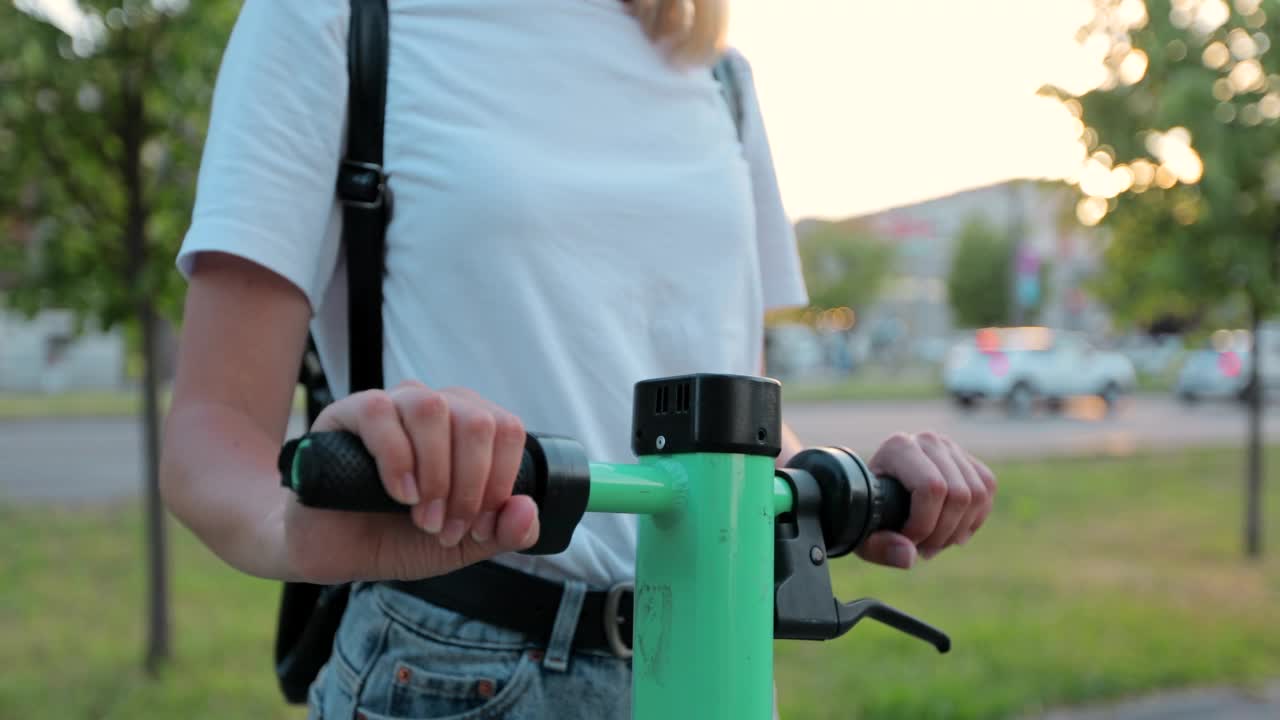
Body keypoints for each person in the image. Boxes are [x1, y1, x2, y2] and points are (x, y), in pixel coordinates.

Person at [159, 1, 997, 718]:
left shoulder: (717, 75)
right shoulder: (338, 17)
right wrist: (306, 534)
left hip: (712, 660)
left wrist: (841, 483)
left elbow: (724, 433)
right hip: (450, 672)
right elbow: (211, 436)